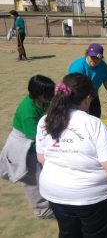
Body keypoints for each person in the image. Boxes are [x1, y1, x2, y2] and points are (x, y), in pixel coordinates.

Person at [36, 73, 107, 238]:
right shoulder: (94, 124)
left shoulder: (45, 120)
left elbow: (41, 158)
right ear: (86, 98)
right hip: (92, 197)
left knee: (68, 233)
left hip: (55, 192)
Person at [0, 75, 55, 219]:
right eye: (48, 94)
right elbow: (34, 136)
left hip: (36, 140)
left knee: (43, 174)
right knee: (32, 178)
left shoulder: (42, 101)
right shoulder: (28, 112)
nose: (51, 96)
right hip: (24, 145)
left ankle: (50, 200)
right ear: (38, 95)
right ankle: (42, 210)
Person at [68, 43, 107, 118]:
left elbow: (106, 82)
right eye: (92, 57)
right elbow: (72, 87)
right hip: (78, 97)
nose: (94, 60)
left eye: (97, 58)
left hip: (93, 95)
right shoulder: (78, 67)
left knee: (95, 116)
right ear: (87, 55)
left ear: (101, 58)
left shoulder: (103, 66)